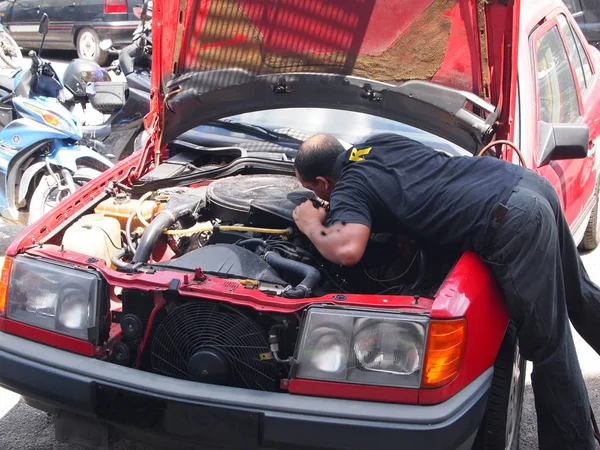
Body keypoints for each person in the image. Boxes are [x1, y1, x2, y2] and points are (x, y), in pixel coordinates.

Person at [292, 132, 600, 450]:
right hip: (526, 184)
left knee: (548, 347)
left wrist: (311, 223)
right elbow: (418, 181)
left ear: (323, 182)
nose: (316, 198)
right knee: (580, 295)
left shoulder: (349, 187)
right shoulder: (378, 143)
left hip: (511, 219)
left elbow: (348, 248)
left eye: (311, 190)